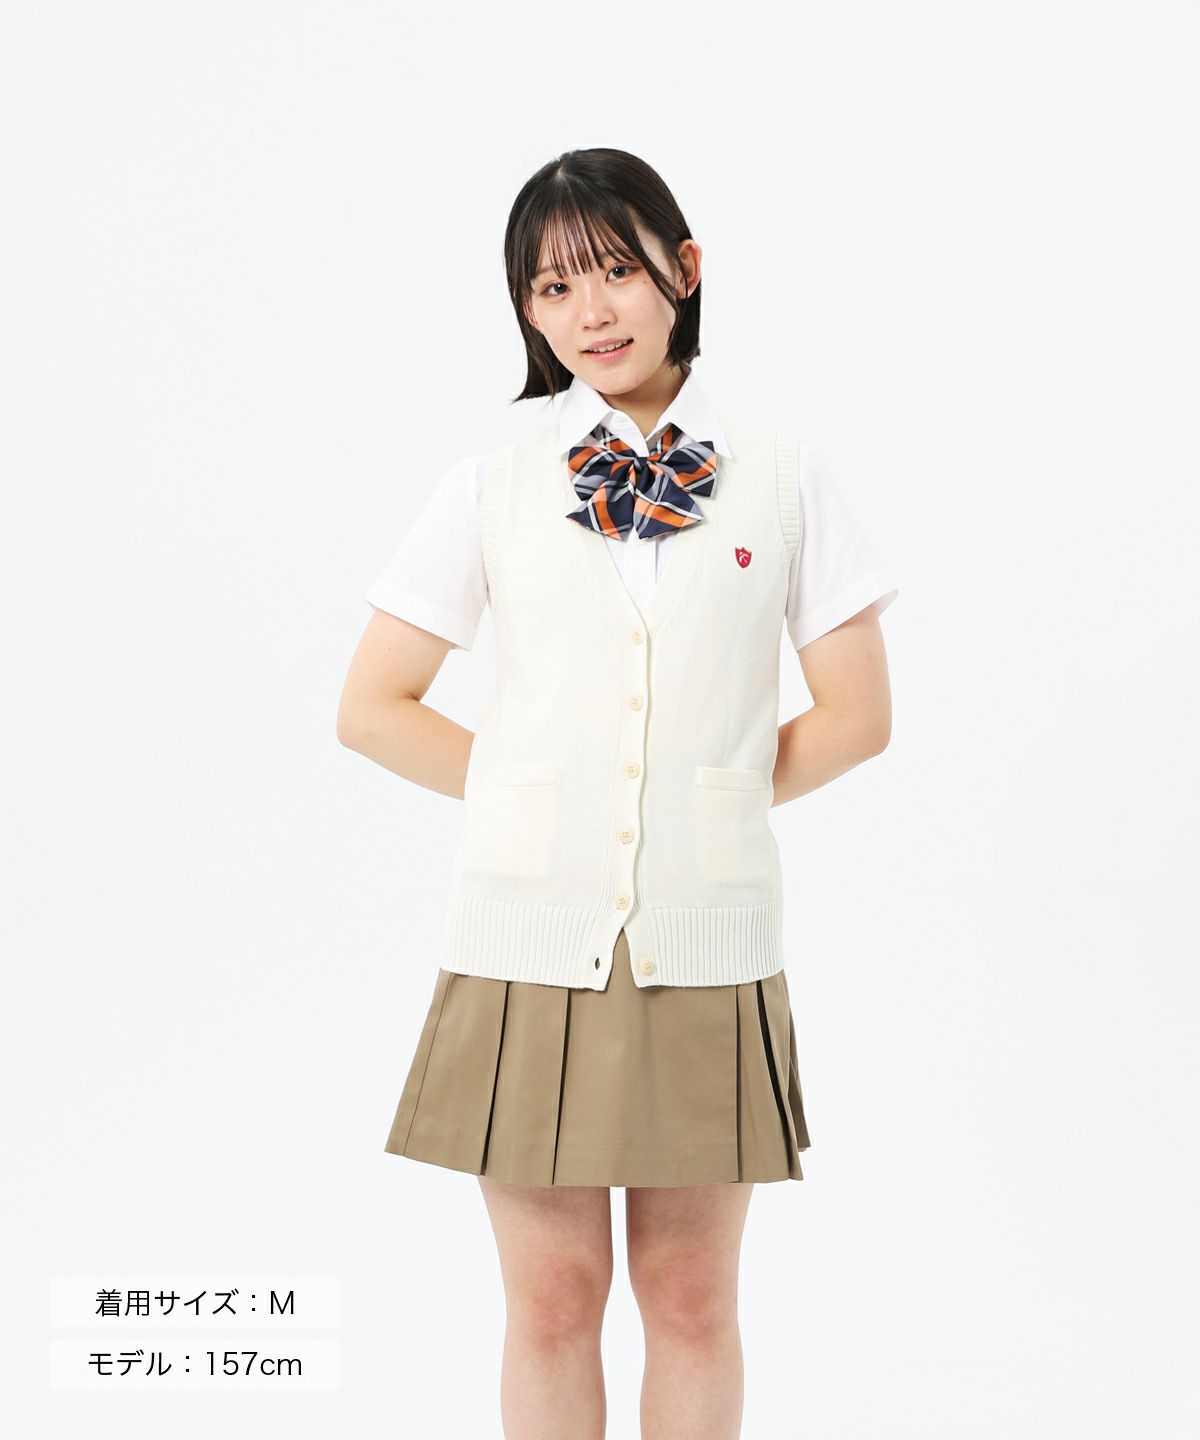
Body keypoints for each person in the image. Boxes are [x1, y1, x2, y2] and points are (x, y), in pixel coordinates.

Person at [337, 146, 898, 1440]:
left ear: (682, 272)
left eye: (614, 272)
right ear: (527, 315)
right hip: (526, 942)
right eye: (552, 287)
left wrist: (717, 802)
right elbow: (372, 706)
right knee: (552, 1299)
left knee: (691, 1298)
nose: (589, 310)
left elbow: (858, 717)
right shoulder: (490, 489)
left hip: (708, 942)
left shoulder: (783, 480)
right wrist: (536, 800)